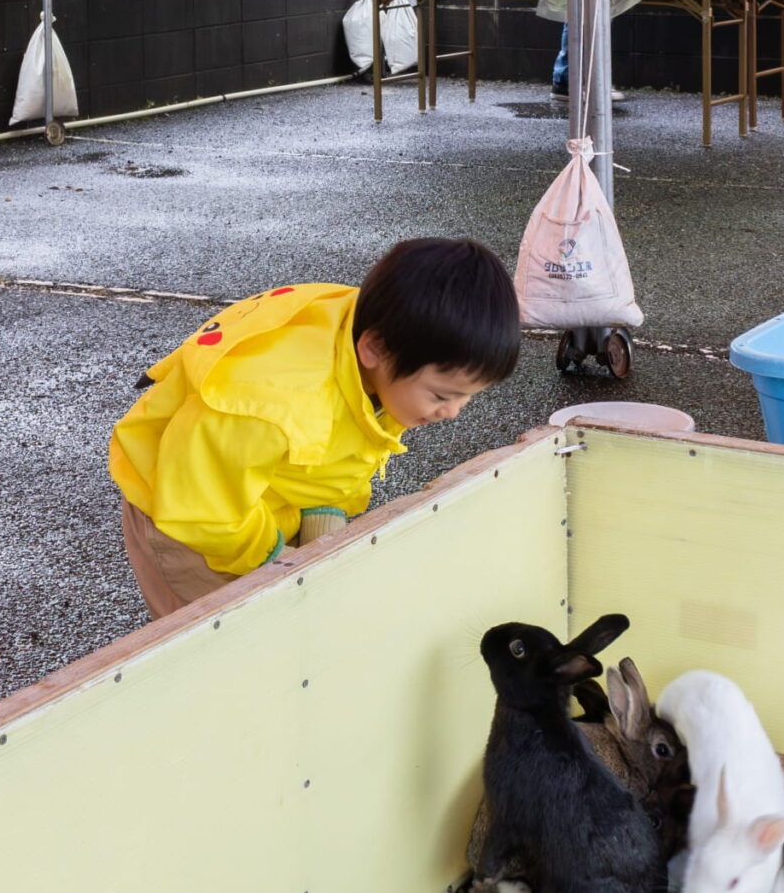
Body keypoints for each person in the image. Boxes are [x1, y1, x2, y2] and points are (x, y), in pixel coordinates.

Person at [109, 237, 522, 617]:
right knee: (217, 633)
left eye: (468, 396)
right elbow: (203, 512)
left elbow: (338, 439)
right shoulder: (266, 402)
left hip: (245, 486)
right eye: (441, 395)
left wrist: (325, 520)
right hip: (185, 516)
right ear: (375, 348)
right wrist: (278, 562)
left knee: (287, 612)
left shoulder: (379, 337)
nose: (454, 412)